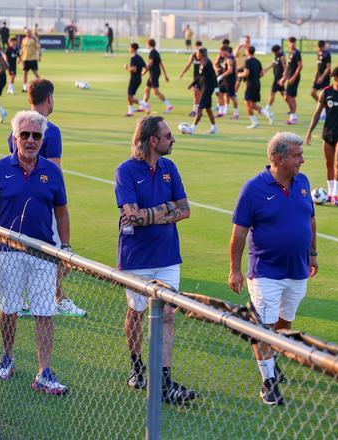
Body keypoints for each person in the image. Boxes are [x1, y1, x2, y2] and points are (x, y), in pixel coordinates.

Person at [0, 110, 70, 395]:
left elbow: (62, 214)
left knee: (44, 312)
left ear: (43, 140)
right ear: (15, 137)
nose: (30, 140)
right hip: (6, 252)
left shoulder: (52, 173)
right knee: (9, 310)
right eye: (24, 135)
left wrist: (64, 250)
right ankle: (7, 357)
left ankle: (44, 371)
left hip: (43, 253)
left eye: (36, 136)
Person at [228, 132, 318, 405]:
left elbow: (310, 219)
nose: (302, 159)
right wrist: (235, 269)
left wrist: (312, 253)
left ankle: (272, 362)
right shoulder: (253, 189)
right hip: (265, 271)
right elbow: (239, 234)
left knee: (284, 322)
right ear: (278, 159)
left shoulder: (302, 182)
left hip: (298, 268)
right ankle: (267, 383)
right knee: (263, 327)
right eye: (297, 155)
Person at [115, 115, 197, 404]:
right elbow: (131, 215)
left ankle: (164, 381)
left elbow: (185, 209)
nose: (172, 140)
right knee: (136, 312)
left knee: (168, 315)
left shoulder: (169, 168)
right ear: (153, 140)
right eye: (168, 136)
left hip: (167, 257)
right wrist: (165, 210)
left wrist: (150, 214)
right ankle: (137, 368)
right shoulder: (125, 171)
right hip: (136, 258)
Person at [6, 79, 88, 317]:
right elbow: (54, 172)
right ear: (49, 98)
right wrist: (58, 203)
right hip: (44, 201)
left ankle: (22, 300)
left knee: (21, 248)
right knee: (51, 251)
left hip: (17, 199)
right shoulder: (50, 130)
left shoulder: (17, 127)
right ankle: (57, 298)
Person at [305, 66, 338, 206]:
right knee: (328, 164)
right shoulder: (325, 92)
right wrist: (309, 131)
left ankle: (335, 194)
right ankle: (329, 194)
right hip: (328, 133)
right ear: (335, 79)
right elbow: (317, 113)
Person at [183, 47, 218, 135]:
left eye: (198, 53)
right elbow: (200, 76)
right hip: (204, 87)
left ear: (202, 54)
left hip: (207, 88)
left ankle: (192, 128)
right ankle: (214, 127)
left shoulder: (206, 63)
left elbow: (213, 75)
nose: (196, 55)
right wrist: (193, 84)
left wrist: (217, 87)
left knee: (200, 108)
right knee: (208, 108)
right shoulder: (203, 62)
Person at [239, 46, 274, 128]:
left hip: (250, 85)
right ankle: (268, 114)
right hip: (257, 84)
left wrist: (240, 74)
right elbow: (261, 74)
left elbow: (246, 73)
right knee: (253, 105)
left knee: (247, 103)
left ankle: (255, 123)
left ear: (248, 52)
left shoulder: (247, 61)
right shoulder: (258, 61)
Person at [142, 39, 173, 114]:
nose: (146, 45)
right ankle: (142, 106)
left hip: (154, 74)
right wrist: (165, 75)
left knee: (156, 92)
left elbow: (150, 64)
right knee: (147, 90)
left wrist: (144, 70)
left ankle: (169, 106)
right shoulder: (156, 52)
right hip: (153, 73)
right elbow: (161, 64)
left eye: (147, 44)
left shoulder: (152, 53)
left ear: (149, 44)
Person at [280, 37, 302, 125]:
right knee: (290, 97)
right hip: (290, 77)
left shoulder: (297, 53)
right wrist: (284, 78)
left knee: (287, 96)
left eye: (293, 42)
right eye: (290, 42)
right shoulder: (290, 53)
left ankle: (293, 116)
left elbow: (300, 66)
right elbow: (289, 68)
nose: (292, 44)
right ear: (288, 43)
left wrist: (293, 77)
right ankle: (293, 116)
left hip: (294, 77)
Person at [178, 40, 203, 117]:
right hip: (196, 78)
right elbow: (188, 65)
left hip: (202, 78)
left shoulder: (204, 57)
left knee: (200, 95)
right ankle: (195, 111)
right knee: (196, 94)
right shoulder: (193, 56)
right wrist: (182, 73)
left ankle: (198, 111)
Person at [261, 44, 287, 116]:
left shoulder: (282, 57)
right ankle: (291, 108)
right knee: (284, 94)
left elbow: (285, 68)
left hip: (278, 78)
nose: (274, 53)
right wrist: (265, 69)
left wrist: (283, 78)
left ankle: (267, 108)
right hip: (277, 76)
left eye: (275, 52)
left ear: (278, 51)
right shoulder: (277, 56)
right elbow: (273, 63)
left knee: (272, 92)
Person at [310, 40, 332, 120]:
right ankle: (323, 107)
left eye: (321, 47)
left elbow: (328, 67)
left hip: (325, 77)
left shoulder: (327, 54)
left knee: (324, 95)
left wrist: (322, 77)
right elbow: (318, 66)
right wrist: (315, 76)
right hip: (318, 77)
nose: (320, 48)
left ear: (323, 46)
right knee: (312, 93)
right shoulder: (318, 53)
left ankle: (324, 112)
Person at [124, 43, 147, 116]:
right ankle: (130, 112)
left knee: (129, 97)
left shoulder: (133, 58)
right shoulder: (139, 57)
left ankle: (145, 104)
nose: (129, 49)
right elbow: (146, 67)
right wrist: (141, 74)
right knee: (130, 96)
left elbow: (133, 70)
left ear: (133, 49)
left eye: (129, 47)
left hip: (134, 79)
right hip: (138, 79)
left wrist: (126, 67)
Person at [217, 45, 240, 119]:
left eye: (221, 52)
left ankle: (236, 114)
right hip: (224, 80)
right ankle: (221, 112)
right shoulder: (226, 58)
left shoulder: (229, 59)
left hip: (229, 80)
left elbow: (230, 70)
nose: (220, 53)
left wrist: (221, 76)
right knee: (220, 94)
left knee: (232, 96)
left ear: (225, 51)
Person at [20, 28, 41, 92]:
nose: (28, 33)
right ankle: (24, 87)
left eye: (29, 32)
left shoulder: (34, 39)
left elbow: (38, 47)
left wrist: (39, 56)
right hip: (25, 58)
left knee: (35, 73)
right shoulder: (23, 40)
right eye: (27, 32)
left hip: (33, 58)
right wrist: (20, 57)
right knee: (25, 73)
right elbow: (22, 49)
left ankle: (42, 85)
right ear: (25, 33)